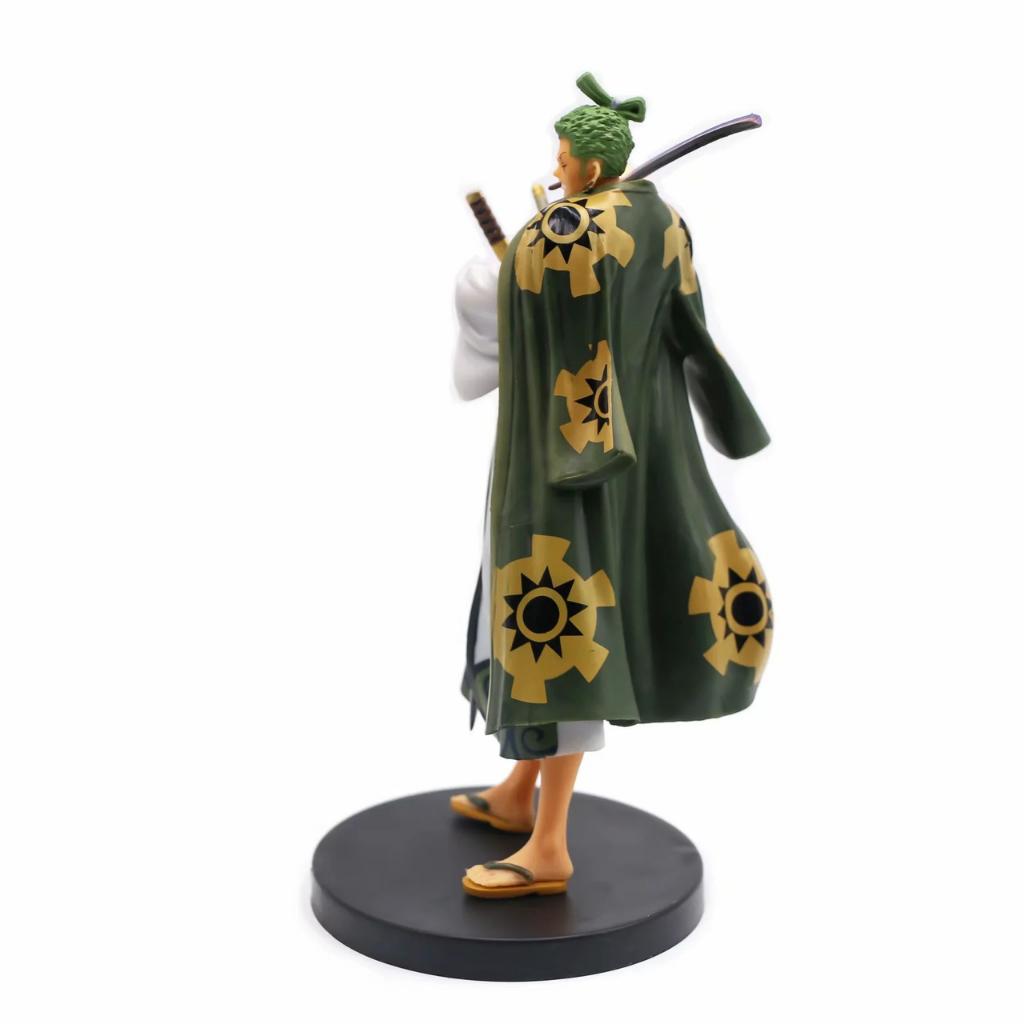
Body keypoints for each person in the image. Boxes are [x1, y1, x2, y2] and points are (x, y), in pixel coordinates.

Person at [451, 73, 772, 899]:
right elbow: (688, 326)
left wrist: (496, 272)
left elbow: (506, 310)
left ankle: (548, 847)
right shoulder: (662, 221)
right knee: (549, 624)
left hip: (563, 465)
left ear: (591, 169)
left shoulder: (559, 233)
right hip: (632, 455)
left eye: (563, 160)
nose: (555, 170)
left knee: (555, 639)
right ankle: (519, 793)